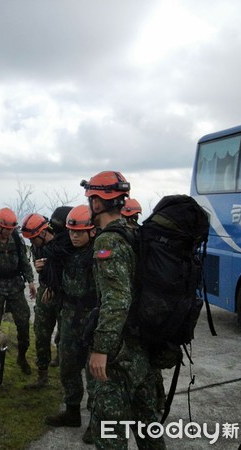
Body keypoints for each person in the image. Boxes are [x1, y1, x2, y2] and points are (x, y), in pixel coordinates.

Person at [83, 171, 165, 449]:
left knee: (110, 433)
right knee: (149, 427)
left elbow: (117, 300)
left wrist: (101, 349)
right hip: (144, 347)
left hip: (121, 354)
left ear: (97, 203)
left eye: (91, 199)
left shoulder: (108, 241)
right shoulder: (135, 233)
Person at [44, 205, 98, 445]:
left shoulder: (99, 254)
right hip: (69, 315)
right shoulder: (63, 251)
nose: (74, 236)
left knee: (94, 373)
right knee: (68, 366)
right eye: (72, 232)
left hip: (92, 317)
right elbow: (53, 274)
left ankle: (96, 423)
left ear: (92, 232)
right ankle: (72, 411)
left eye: (80, 232)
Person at [121, 198, 167, 413]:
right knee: (152, 360)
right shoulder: (148, 237)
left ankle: (146, 401)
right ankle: (159, 399)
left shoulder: (130, 239)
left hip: (138, 308)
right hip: (154, 307)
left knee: (141, 361)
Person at [0, 207, 36, 375]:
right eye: (7, 229)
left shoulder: (17, 240)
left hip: (15, 286)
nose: (9, 232)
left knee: (23, 320)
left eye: (12, 229)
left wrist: (31, 281)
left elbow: (24, 262)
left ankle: (22, 356)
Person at [20, 213, 59, 389]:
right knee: (41, 333)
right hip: (45, 292)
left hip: (64, 295)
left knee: (66, 336)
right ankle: (42, 376)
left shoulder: (64, 244)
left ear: (43, 233)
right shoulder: (37, 247)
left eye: (33, 238)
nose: (31, 243)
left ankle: (63, 364)